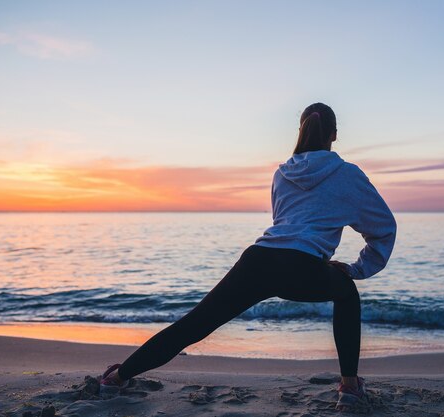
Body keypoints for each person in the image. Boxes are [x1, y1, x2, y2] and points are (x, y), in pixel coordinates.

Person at [99, 102, 397, 411]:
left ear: (301, 131)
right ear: (333, 135)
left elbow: (286, 222)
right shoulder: (348, 175)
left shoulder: (282, 173)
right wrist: (357, 269)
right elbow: (383, 228)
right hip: (302, 266)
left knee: (194, 324)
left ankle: (117, 377)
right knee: (347, 293)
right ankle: (349, 389)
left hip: (258, 259)